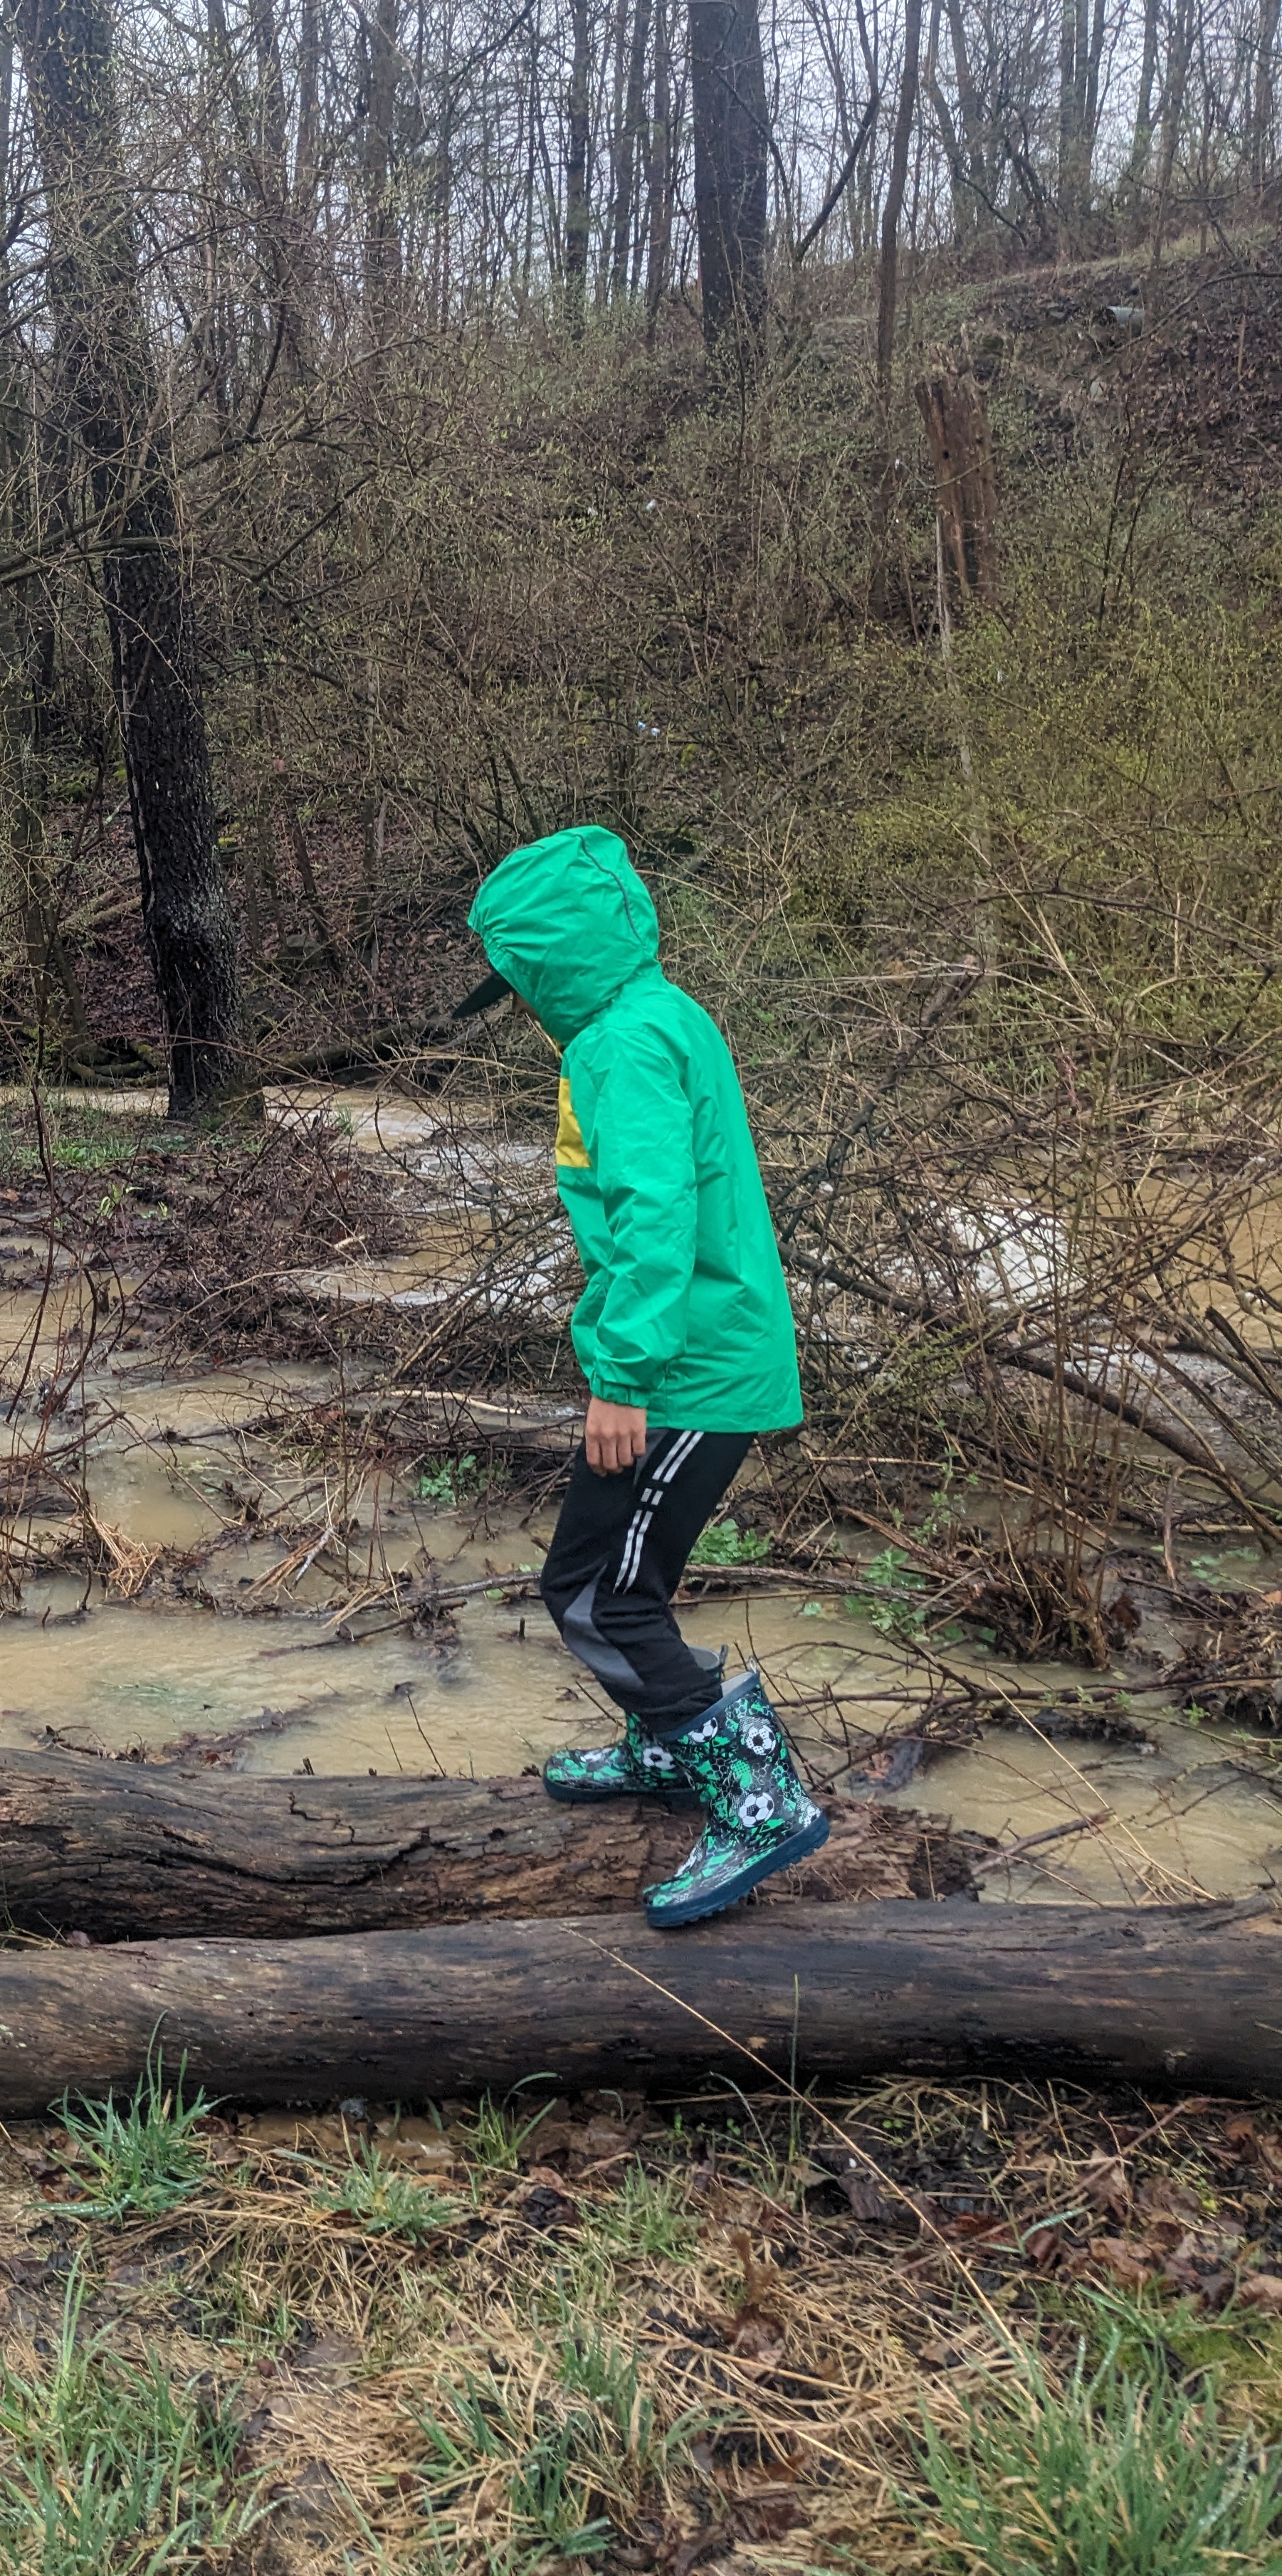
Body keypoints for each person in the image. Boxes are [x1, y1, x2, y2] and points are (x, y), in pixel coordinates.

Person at [457, 824, 826, 1927]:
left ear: (547, 963)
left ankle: (760, 1799)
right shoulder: (661, 1013)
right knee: (606, 1584)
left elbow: (657, 1219)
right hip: (695, 1356)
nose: (519, 1005)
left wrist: (620, 1377)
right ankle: (666, 1751)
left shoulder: (617, 1046)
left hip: (682, 1374)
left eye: (519, 981)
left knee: (602, 1596)